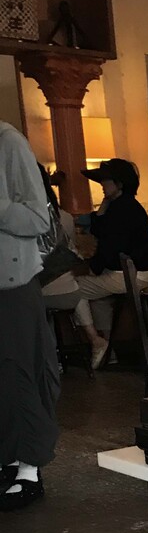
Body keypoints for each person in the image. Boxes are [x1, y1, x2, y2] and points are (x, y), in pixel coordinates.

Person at [0, 121, 60, 512]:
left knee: (20, 372)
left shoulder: (8, 143)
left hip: (12, 284)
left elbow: (39, 219)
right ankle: (8, 460)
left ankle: (29, 468)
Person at [72, 158, 148, 369]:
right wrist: (106, 202)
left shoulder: (121, 210)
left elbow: (109, 246)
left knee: (72, 289)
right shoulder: (124, 206)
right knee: (99, 299)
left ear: (119, 183)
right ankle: (108, 350)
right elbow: (101, 229)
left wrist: (92, 268)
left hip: (130, 274)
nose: (102, 184)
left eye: (106, 180)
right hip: (138, 273)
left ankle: (96, 340)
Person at [38, 164, 82, 315]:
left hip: (41, 293)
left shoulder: (23, 219)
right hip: (69, 290)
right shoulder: (65, 216)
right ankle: (90, 329)